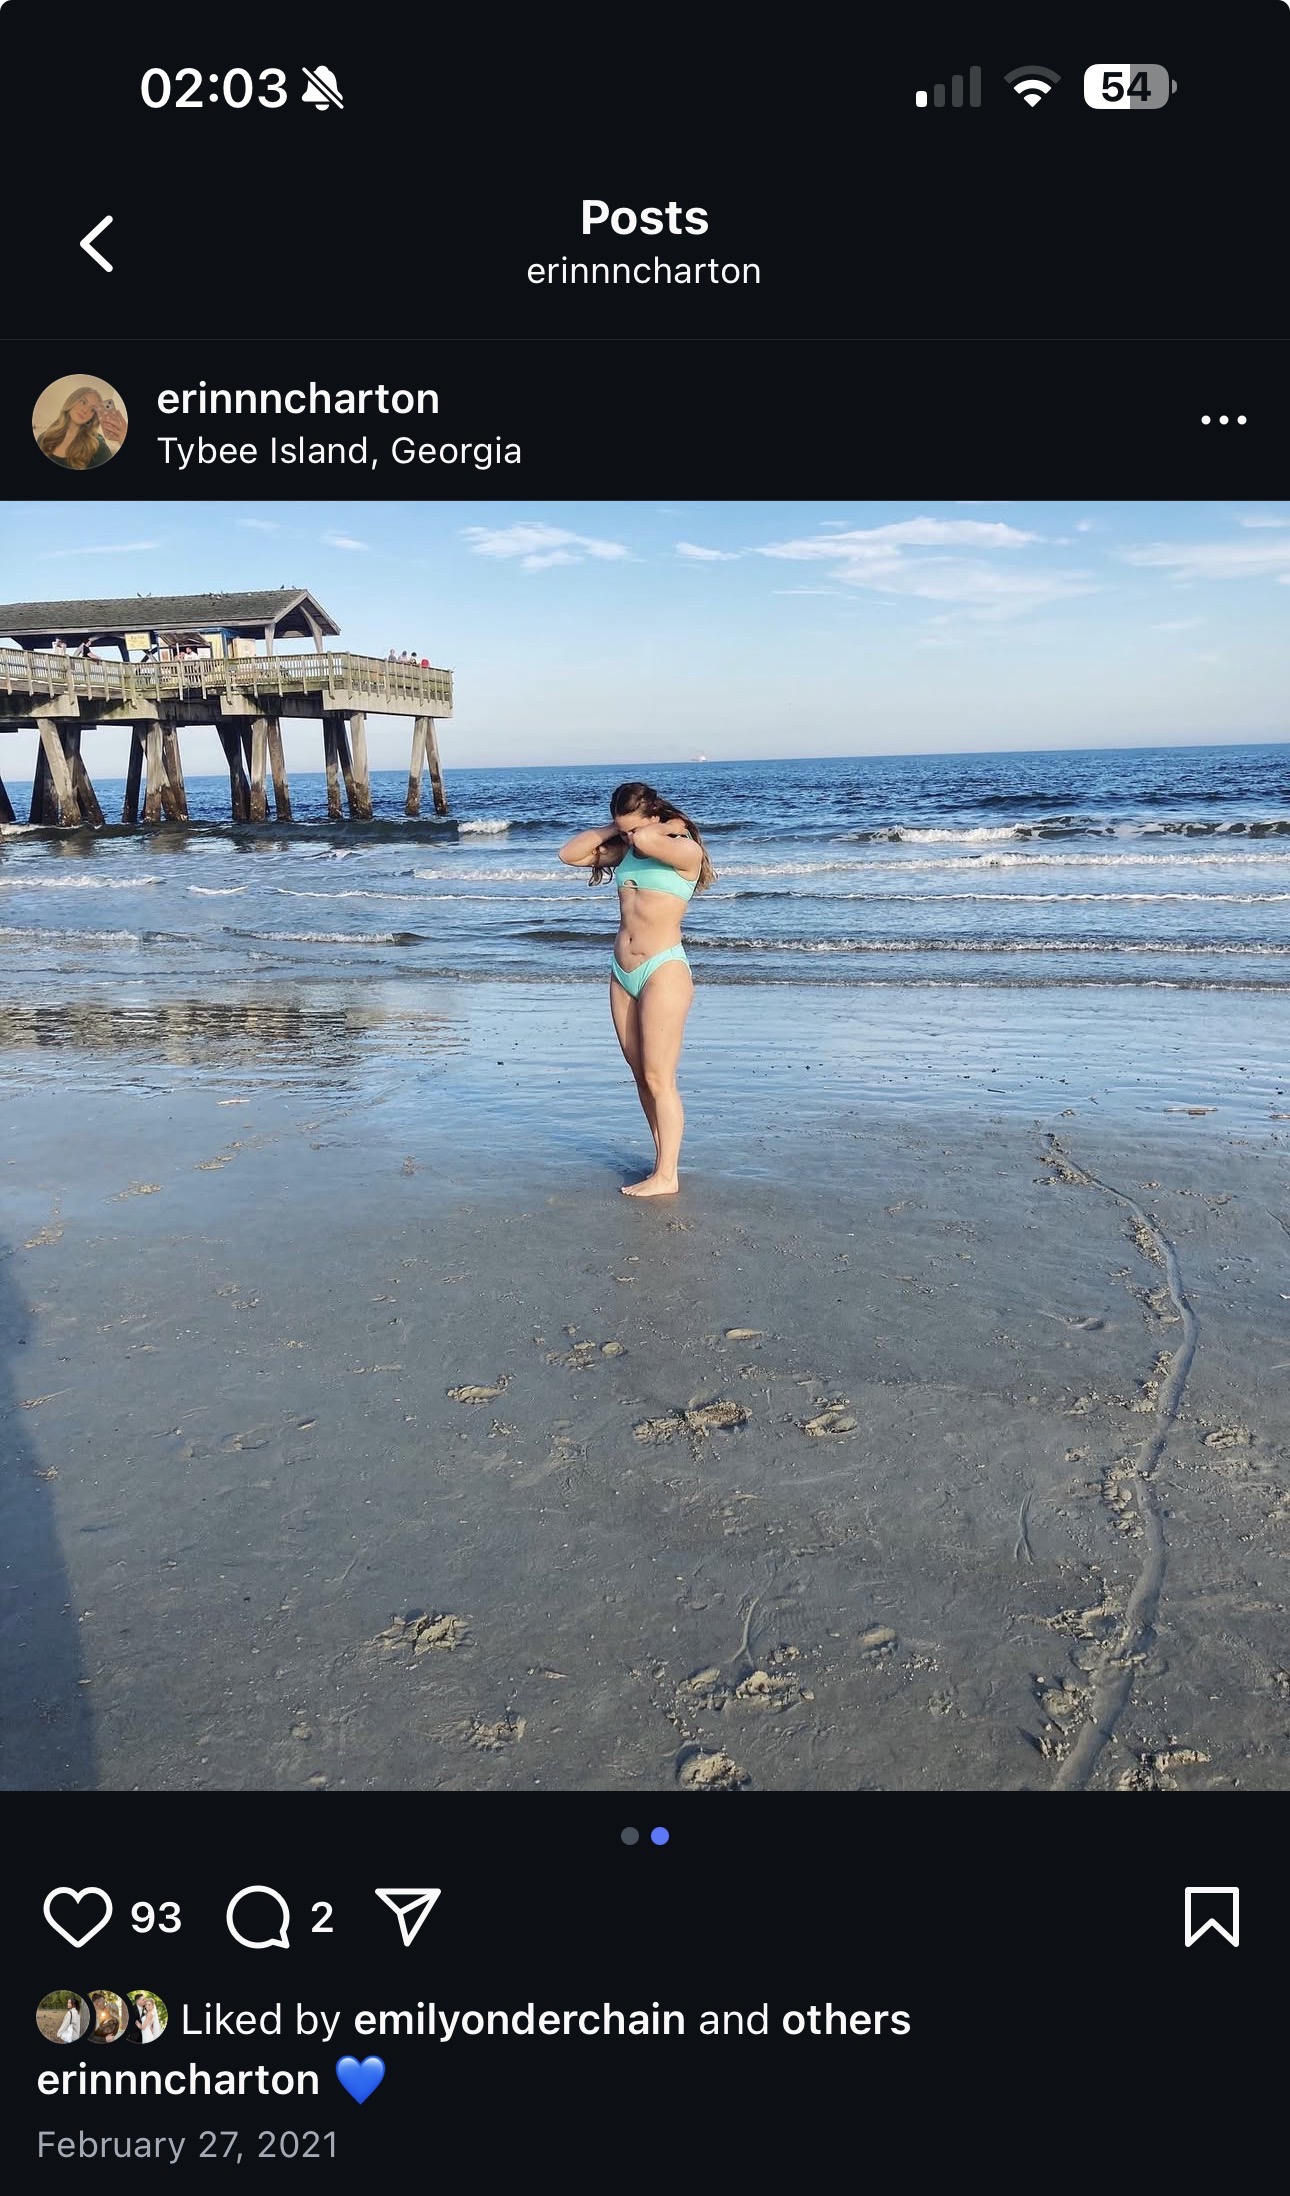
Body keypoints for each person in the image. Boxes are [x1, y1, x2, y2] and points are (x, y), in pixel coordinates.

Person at [559, 780, 715, 1196]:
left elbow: (647, 838)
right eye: (621, 829)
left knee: (659, 1076)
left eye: (633, 828)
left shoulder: (685, 851)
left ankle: (668, 1176)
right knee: (641, 1074)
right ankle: (662, 1162)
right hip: (622, 972)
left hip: (663, 970)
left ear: (655, 816)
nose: (628, 837)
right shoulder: (629, 848)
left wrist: (663, 826)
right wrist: (617, 829)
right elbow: (569, 854)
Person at [36, 387, 124, 471]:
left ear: (93, 417)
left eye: (92, 409)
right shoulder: (45, 437)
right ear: (71, 401)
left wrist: (122, 439)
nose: (85, 410)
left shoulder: (98, 447)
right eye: (83, 402)